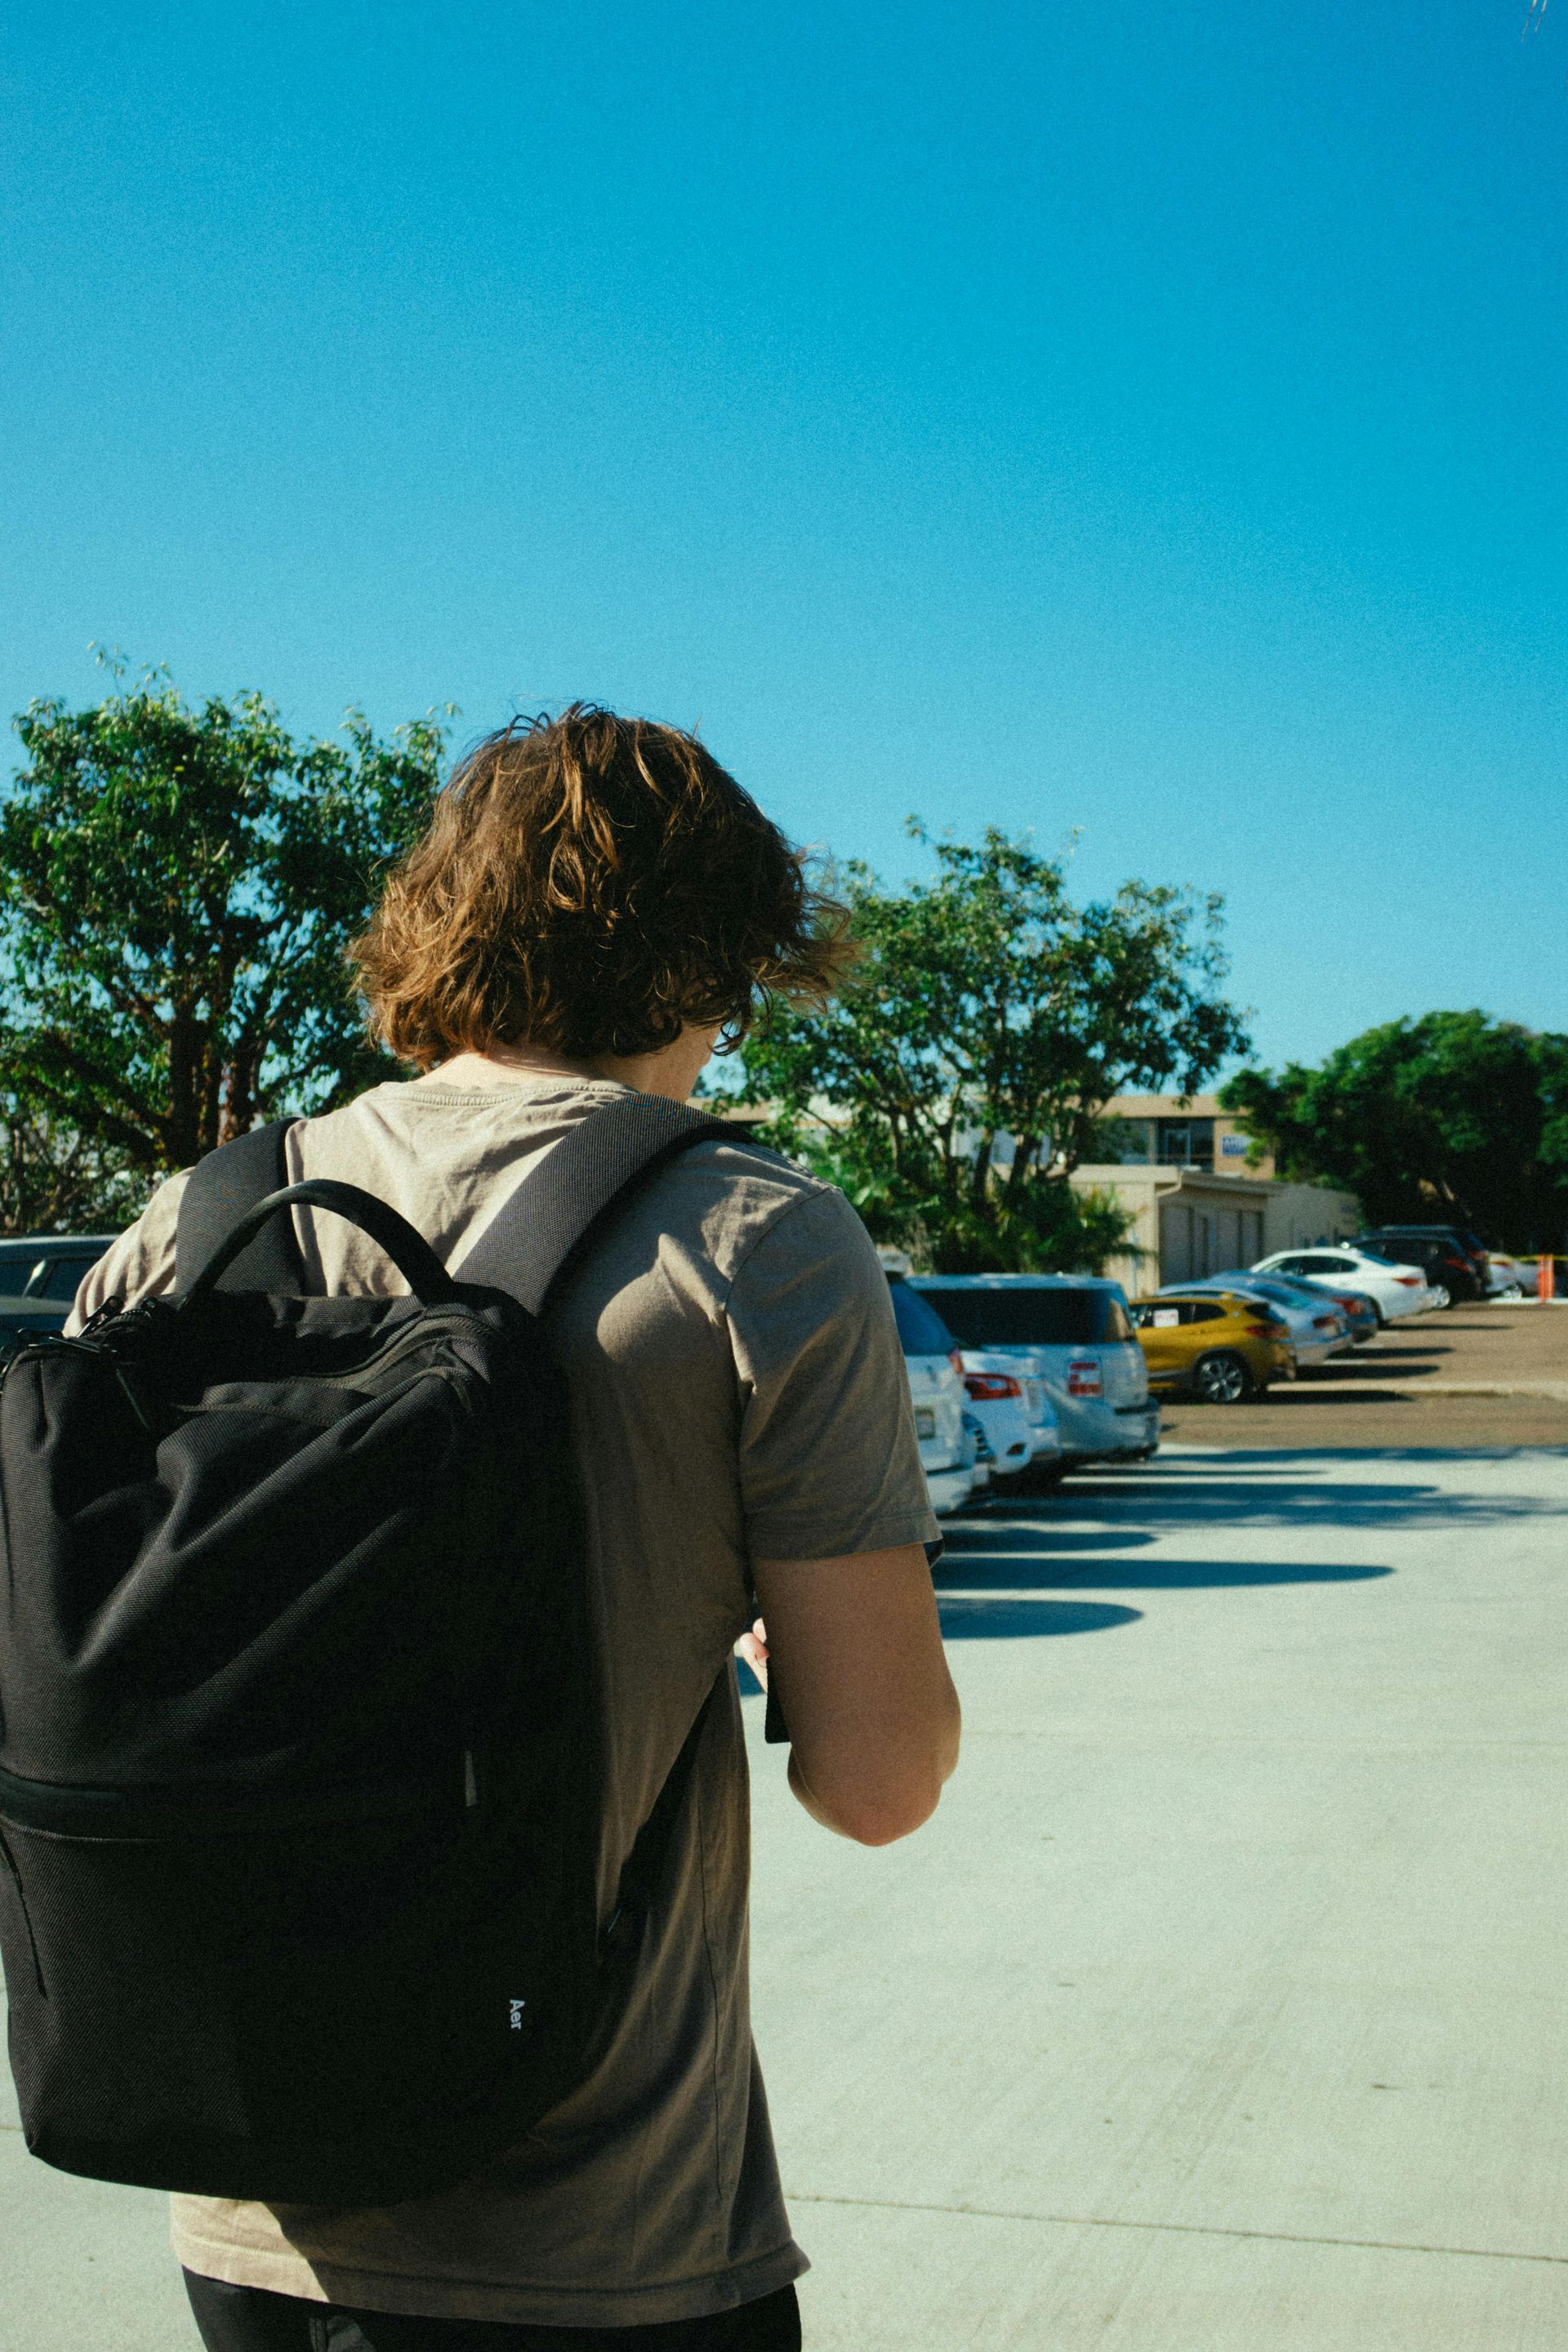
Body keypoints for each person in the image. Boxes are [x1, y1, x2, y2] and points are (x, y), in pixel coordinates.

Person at [70, 705, 960, 2352]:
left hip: (250, 2220)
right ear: (714, 954)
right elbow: (880, 1782)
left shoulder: (187, 1227)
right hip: (606, 2239)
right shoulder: (758, 1241)